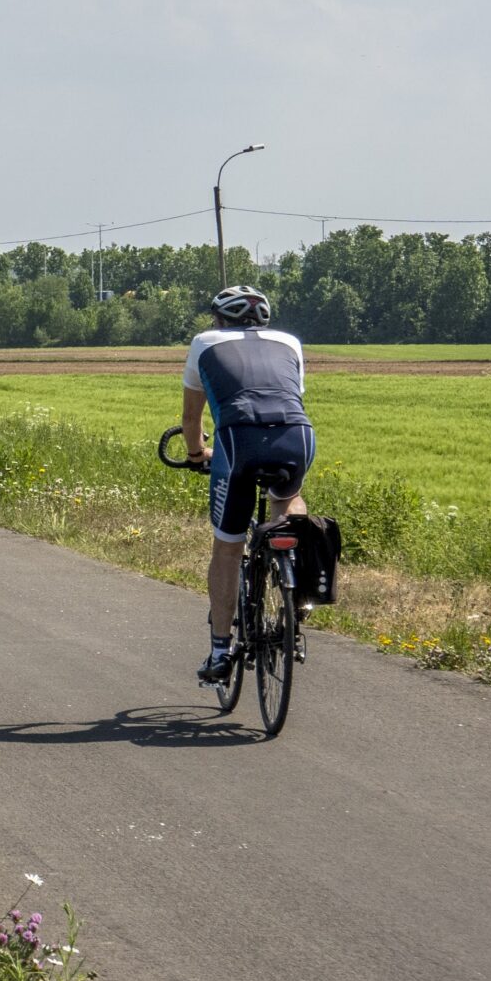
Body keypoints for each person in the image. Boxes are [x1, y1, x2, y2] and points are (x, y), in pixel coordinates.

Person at [178, 284, 314, 684]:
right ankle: (298, 591)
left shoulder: (205, 343)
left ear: (220, 319)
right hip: (297, 436)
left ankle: (220, 651)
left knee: (229, 546)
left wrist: (195, 455)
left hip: (239, 442)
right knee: (286, 505)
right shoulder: (289, 342)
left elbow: (191, 422)